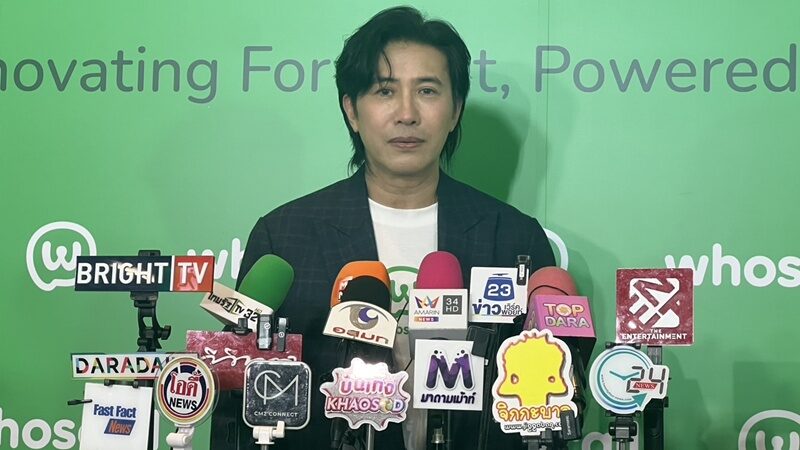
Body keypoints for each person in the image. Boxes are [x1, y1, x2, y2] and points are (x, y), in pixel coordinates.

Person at [224, 6, 555, 450]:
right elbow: (242, 392)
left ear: (455, 110)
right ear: (352, 111)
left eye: (427, 91)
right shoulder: (284, 237)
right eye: (384, 91)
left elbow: (546, 398)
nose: (407, 113)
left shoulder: (513, 239)